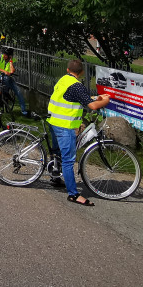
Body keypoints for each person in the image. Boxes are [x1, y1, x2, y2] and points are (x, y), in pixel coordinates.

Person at [46, 59, 111, 206]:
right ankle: (73, 194)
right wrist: (104, 101)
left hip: (54, 121)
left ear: (68, 70)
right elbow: (93, 106)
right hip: (65, 126)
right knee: (68, 160)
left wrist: (95, 98)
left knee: (58, 153)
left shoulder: (64, 80)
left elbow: (76, 99)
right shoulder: (77, 86)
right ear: (81, 72)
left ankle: (55, 177)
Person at [0, 47, 31, 118]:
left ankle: (24, 112)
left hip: (9, 79)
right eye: (4, 54)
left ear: (10, 56)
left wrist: (10, 62)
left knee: (19, 93)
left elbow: (12, 71)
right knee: (0, 86)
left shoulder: (13, 60)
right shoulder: (0, 57)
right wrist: (4, 71)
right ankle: (4, 96)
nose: (4, 56)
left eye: (6, 55)